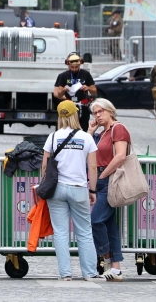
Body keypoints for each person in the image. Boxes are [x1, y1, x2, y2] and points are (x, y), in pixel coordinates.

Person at [42, 101, 102, 281]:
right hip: (78, 188)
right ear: (76, 115)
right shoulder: (86, 138)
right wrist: (92, 190)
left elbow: (45, 166)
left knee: (60, 232)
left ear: (60, 116)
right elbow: (93, 167)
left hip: (57, 189)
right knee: (84, 231)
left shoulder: (52, 137)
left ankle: (65, 273)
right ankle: (90, 273)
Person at [87, 98, 127, 282]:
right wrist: (90, 132)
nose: (98, 115)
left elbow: (120, 156)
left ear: (110, 111)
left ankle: (107, 258)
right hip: (101, 181)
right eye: (95, 113)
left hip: (109, 180)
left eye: (101, 111)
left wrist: (103, 176)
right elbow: (89, 153)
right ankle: (116, 269)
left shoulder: (118, 129)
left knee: (96, 220)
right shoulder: (100, 133)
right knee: (109, 224)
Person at [53, 52, 96, 131]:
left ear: (80, 64)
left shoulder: (86, 74)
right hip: (69, 104)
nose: (74, 69)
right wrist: (64, 90)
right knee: (67, 128)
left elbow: (94, 91)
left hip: (82, 105)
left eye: (76, 67)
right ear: (68, 65)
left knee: (83, 128)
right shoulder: (63, 76)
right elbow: (58, 95)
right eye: (72, 67)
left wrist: (88, 88)